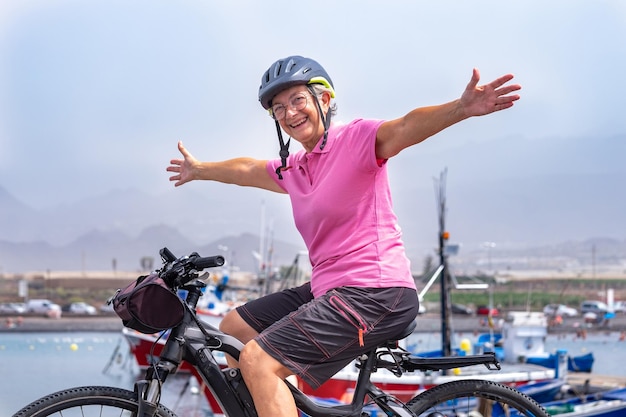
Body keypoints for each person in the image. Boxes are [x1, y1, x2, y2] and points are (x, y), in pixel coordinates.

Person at [166, 55, 521, 417]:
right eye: (278, 108)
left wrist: (460, 108)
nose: (289, 114)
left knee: (258, 360)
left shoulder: (355, 140)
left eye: (297, 100)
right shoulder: (296, 168)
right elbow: (247, 168)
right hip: (331, 289)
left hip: (377, 292)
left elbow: (404, 127)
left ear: (324, 100)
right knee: (232, 329)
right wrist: (199, 169)